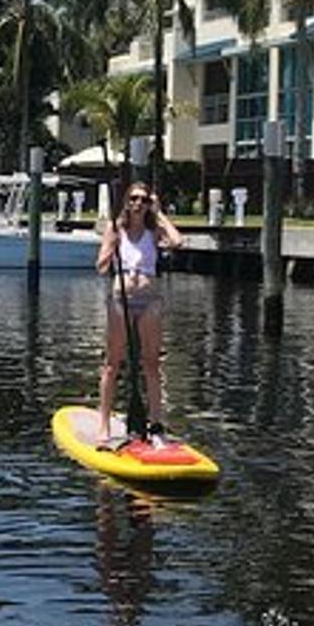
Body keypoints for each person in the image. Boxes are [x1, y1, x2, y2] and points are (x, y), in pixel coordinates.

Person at [95, 182, 184, 445]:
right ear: (126, 202)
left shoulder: (154, 231)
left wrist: (159, 214)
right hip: (120, 301)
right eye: (134, 199)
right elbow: (100, 266)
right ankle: (103, 424)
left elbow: (177, 241)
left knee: (152, 363)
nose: (138, 204)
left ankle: (156, 424)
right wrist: (108, 256)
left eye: (144, 200)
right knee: (112, 364)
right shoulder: (116, 229)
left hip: (149, 302)